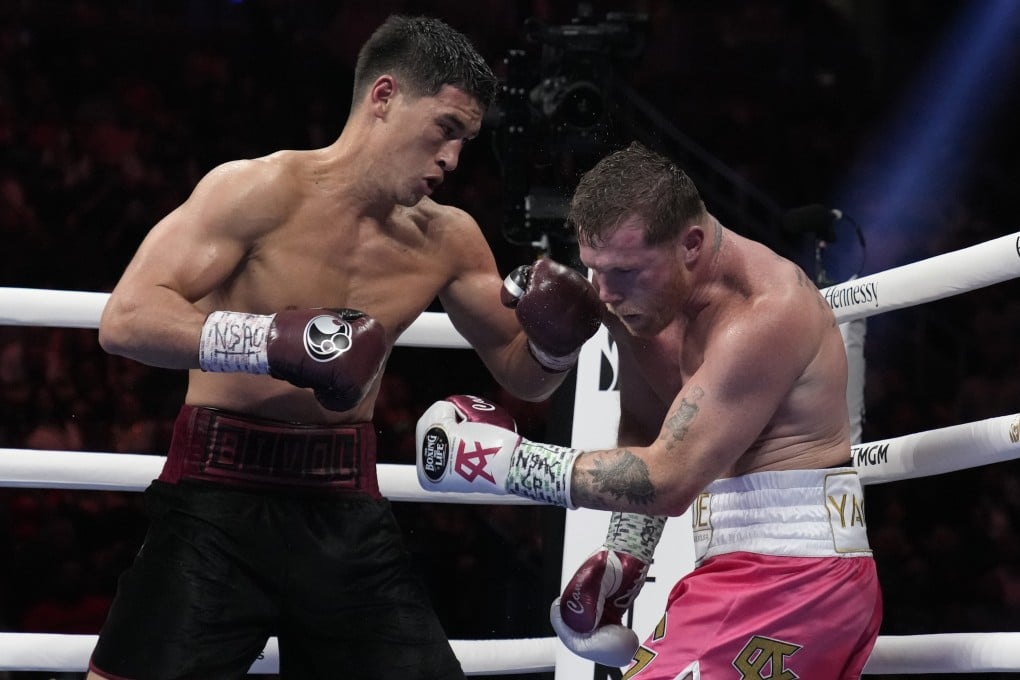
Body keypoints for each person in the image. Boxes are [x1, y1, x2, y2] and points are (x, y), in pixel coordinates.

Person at [90, 15, 602, 680]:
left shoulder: (447, 239)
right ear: (383, 97)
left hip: (344, 510)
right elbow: (127, 318)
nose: (451, 159)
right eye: (445, 128)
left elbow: (525, 375)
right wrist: (272, 342)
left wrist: (557, 343)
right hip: (217, 498)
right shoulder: (257, 190)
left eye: (466, 141)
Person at [417, 142, 882, 678]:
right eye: (594, 269)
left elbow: (670, 478)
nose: (605, 294)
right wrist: (626, 554)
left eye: (624, 271)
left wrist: (499, 462)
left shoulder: (765, 311)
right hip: (737, 569)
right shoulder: (642, 306)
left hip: (798, 577)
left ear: (690, 244)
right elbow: (652, 430)